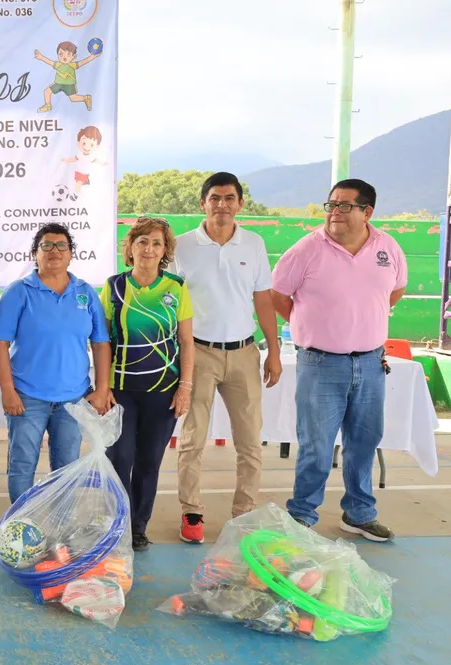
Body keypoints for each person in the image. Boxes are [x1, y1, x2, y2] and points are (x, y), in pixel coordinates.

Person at [271, 179, 406, 542]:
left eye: (345, 206)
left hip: (372, 364)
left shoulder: (388, 247)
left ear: (367, 212)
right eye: (331, 205)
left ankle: (359, 514)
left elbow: (395, 290)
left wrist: (362, 320)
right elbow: (278, 295)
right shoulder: (306, 250)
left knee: (364, 442)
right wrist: (310, 324)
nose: (334, 212)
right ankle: (302, 515)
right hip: (320, 364)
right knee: (316, 445)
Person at [174, 172, 282, 544]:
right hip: (197, 354)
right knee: (193, 439)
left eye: (229, 198)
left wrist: (273, 351)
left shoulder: (254, 243)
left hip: (244, 354)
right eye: (215, 198)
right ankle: (191, 512)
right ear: (203, 203)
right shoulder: (181, 246)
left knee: (250, 442)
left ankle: (244, 514)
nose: (222, 205)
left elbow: (263, 300)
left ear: (240, 204)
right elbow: (170, 302)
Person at [0, 222, 110, 504]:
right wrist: (8, 390)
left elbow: (100, 343)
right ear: (35, 253)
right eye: (46, 245)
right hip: (26, 397)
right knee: (22, 464)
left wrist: (102, 388)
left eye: (61, 246)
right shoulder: (19, 292)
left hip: (73, 398)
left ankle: (60, 526)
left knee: (67, 468)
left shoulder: (85, 293)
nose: (54, 251)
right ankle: (22, 523)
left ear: (71, 254)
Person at [99, 217, 194, 551]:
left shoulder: (176, 288)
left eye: (156, 243)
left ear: (165, 250)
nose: (149, 249)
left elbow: (186, 341)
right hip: (121, 391)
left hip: (163, 392)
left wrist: (185, 387)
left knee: (148, 463)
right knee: (119, 459)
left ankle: (138, 528)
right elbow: (102, 342)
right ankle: (117, 526)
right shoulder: (113, 287)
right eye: (142, 241)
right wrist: (102, 386)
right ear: (130, 247)